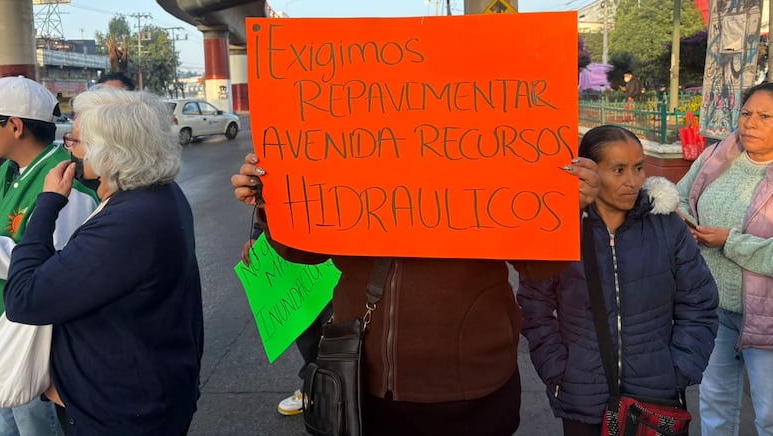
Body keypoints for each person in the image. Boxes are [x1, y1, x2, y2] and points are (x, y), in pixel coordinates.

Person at [232, 154, 600, 436]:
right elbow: (302, 252)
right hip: (363, 384)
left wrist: (565, 209)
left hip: (473, 389)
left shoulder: (494, 143)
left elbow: (540, 267)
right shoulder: (348, 140)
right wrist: (275, 201)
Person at [3, 87, 204, 435]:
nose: (70, 149)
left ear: (109, 152)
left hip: (122, 412)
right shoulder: (160, 194)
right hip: (147, 395)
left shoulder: (130, 223)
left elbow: (24, 298)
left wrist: (48, 202)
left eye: (75, 141)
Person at [517, 125, 718, 435]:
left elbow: (699, 303)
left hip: (655, 399)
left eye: (638, 168)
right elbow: (534, 307)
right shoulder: (560, 230)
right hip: (582, 399)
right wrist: (557, 370)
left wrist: (679, 370)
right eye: (618, 170)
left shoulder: (667, 228)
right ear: (588, 172)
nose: (633, 181)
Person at [0, 76, 99, 436]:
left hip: (33, 348)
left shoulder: (64, 178)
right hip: (2, 339)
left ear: (14, 125)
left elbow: (53, 270)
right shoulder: (7, 172)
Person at [677, 81, 773, 435]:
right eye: (746, 113)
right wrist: (684, 223)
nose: (750, 123)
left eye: (765, 116)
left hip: (772, 321)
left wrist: (730, 241)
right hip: (709, 308)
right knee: (714, 404)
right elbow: (680, 196)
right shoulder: (720, 154)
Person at [241, 221, 333, 416]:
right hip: (295, 256)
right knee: (305, 326)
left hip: (338, 250)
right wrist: (258, 234)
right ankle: (313, 387)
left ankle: (348, 392)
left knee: (340, 329)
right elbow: (272, 196)